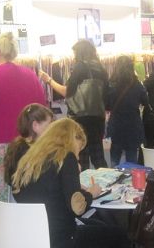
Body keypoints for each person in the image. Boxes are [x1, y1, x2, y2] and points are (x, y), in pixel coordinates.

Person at [12, 119, 129, 248]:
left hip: (33, 239)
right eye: (79, 148)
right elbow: (77, 208)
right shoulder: (66, 157)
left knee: (99, 227)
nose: (78, 154)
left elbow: (42, 192)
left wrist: (73, 186)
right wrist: (91, 193)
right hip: (60, 241)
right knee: (121, 237)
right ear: (73, 139)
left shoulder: (30, 159)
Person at [0, 32, 45, 229]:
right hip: (27, 143)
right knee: (26, 190)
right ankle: (28, 233)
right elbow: (42, 109)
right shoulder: (30, 75)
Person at [39, 40, 109, 170]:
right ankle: (107, 180)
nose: (74, 56)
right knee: (99, 159)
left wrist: (48, 80)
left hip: (80, 120)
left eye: (75, 53)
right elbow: (106, 96)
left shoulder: (80, 67)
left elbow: (66, 92)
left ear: (79, 52)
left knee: (81, 158)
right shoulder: (101, 69)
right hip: (97, 120)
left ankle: (83, 183)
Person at [106, 55, 149, 166]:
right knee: (132, 158)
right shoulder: (137, 84)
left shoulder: (111, 84)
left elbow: (107, 105)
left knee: (115, 157)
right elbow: (146, 101)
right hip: (133, 124)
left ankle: (113, 175)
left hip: (116, 124)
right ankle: (131, 176)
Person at [3, 104, 54, 188]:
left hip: (18, 195)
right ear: (35, 126)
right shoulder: (33, 151)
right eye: (49, 125)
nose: (52, 129)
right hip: (35, 194)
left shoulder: (15, 146)